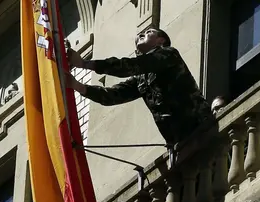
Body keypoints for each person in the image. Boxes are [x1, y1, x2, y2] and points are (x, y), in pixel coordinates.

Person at [65, 28, 215, 155]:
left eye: (149, 32)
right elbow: (113, 95)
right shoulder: (141, 78)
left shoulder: (169, 54)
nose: (140, 35)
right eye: (138, 36)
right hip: (179, 141)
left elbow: (129, 66)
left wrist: (84, 63)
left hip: (199, 126)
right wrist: (78, 86)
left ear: (161, 41)